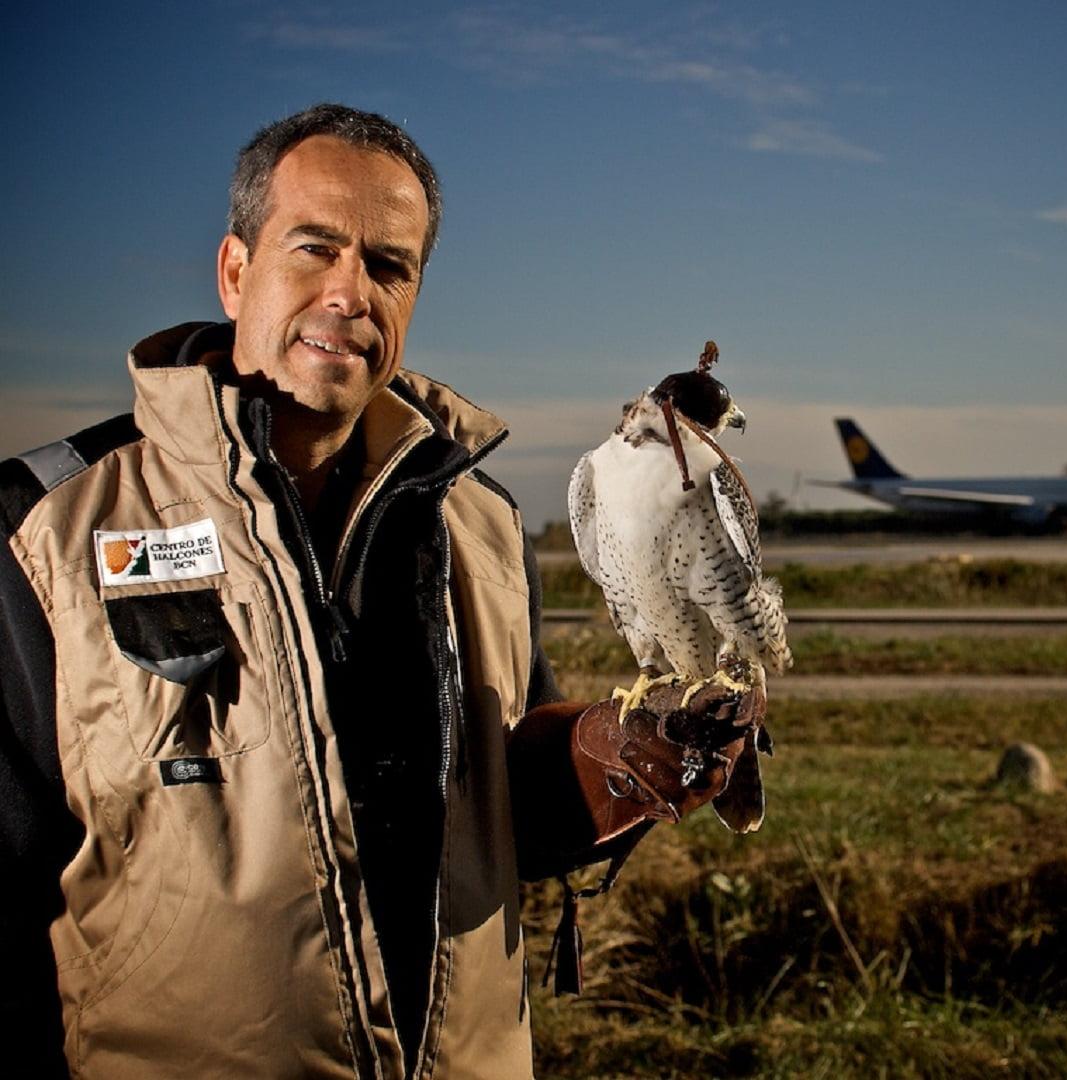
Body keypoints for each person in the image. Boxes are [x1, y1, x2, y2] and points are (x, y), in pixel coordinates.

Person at [0, 103, 760, 1078]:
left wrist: (608, 761)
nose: (350, 292)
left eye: (389, 266)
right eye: (314, 249)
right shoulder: (46, 525)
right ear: (236, 271)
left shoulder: (478, 519)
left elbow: (498, 809)